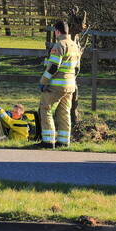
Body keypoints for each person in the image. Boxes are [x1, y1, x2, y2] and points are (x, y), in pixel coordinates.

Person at [39, 20, 81, 148]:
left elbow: (53, 67)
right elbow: (77, 68)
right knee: (64, 112)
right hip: (70, 86)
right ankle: (63, 141)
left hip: (56, 86)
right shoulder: (75, 46)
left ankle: (48, 140)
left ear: (57, 31)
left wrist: (43, 81)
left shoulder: (58, 46)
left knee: (45, 109)